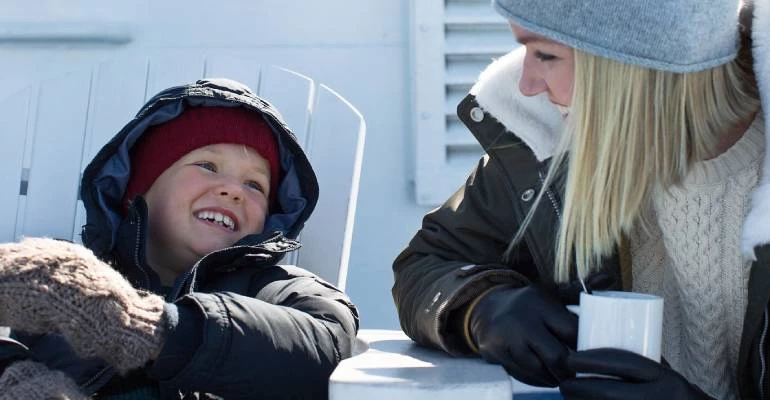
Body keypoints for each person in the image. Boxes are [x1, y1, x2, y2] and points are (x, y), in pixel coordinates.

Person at [392, 0, 770, 398]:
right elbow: (427, 265)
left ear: (638, 63)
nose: (527, 84)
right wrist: (481, 306)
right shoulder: (545, 140)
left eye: (546, 54)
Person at [0, 78, 359, 399]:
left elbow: (327, 347)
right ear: (138, 191)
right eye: (208, 166)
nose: (234, 190)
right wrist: (12, 380)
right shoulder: (63, 287)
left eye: (255, 185)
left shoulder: (276, 290)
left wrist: (144, 325)